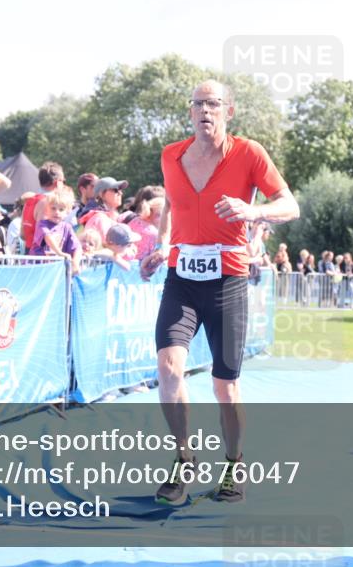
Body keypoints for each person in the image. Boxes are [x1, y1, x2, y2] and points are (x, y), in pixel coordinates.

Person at [139, 79, 299, 505]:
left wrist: (254, 210)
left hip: (227, 281)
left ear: (229, 111)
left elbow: (290, 204)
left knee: (224, 388)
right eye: (198, 104)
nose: (205, 111)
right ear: (189, 112)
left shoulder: (249, 153)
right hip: (181, 278)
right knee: (169, 368)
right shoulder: (171, 155)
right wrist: (163, 246)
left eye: (213, 104)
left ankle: (234, 463)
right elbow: (172, 203)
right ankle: (184, 457)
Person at [30, 186, 82, 274]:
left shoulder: (67, 227)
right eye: (53, 208)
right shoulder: (42, 224)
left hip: (55, 271)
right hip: (37, 268)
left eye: (61, 209)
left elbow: (77, 247)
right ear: (46, 210)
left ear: (68, 212)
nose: (57, 212)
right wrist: (59, 253)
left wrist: (75, 263)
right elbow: (48, 237)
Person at [21, 162, 66, 249]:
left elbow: (23, 235)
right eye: (64, 181)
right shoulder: (47, 202)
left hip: (29, 252)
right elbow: (43, 234)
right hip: (43, 255)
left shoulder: (29, 201)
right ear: (58, 182)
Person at [81, 176, 129, 244]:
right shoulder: (99, 218)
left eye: (120, 190)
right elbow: (109, 245)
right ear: (101, 194)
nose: (120, 193)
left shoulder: (113, 216)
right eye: (115, 190)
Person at [128, 195, 164, 261]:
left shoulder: (131, 219)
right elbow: (154, 259)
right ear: (158, 215)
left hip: (121, 265)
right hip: (140, 268)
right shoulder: (154, 234)